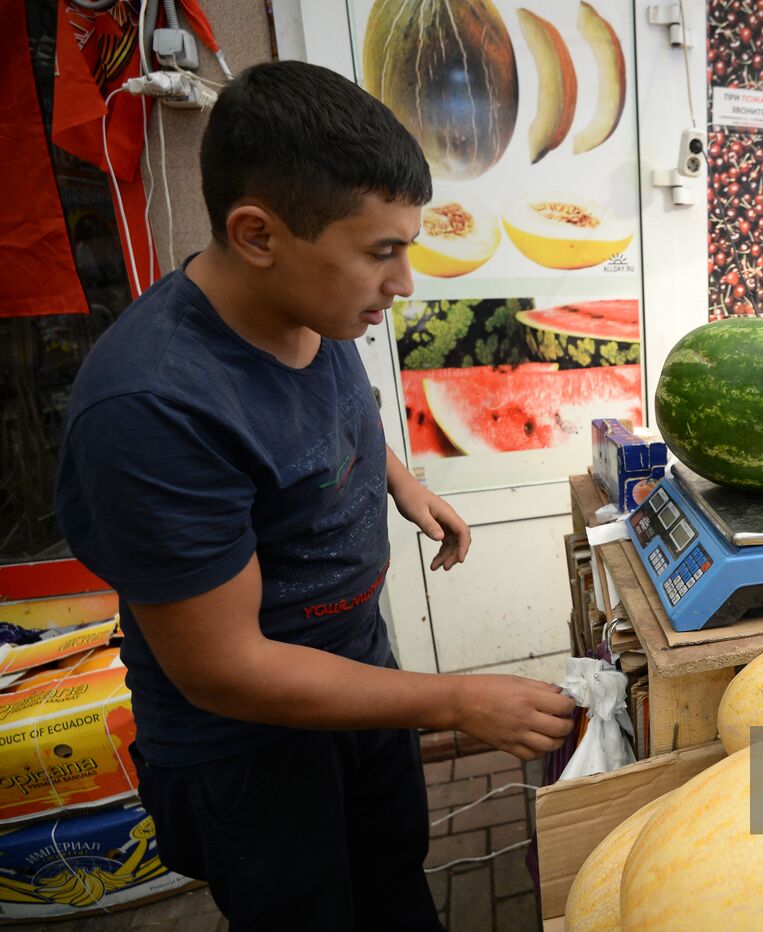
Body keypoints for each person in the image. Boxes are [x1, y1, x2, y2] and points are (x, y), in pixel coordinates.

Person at [53, 62, 575, 930]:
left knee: (396, 891)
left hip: (358, 680)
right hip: (250, 754)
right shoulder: (151, 410)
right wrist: (454, 700)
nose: (404, 285)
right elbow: (227, 669)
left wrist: (401, 482)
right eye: (382, 253)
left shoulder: (311, 306)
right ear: (258, 234)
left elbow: (335, 414)